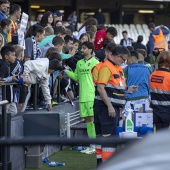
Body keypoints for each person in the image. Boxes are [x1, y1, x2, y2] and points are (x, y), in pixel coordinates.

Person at [96, 45, 135, 162]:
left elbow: (116, 87)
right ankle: (106, 164)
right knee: (109, 137)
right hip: (107, 108)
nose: (125, 62)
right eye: (124, 59)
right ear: (118, 56)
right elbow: (100, 88)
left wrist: (128, 88)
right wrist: (109, 106)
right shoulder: (106, 68)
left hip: (113, 107)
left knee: (107, 136)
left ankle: (102, 163)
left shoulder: (117, 67)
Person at [66, 41, 99, 153]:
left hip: (92, 95)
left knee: (92, 119)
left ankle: (95, 145)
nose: (81, 50)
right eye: (82, 48)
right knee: (87, 120)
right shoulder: (79, 63)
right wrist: (66, 71)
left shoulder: (96, 63)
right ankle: (92, 145)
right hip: (82, 95)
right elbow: (77, 78)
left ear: (90, 50)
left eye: (84, 48)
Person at [150, 51, 170, 131]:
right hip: (167, 112)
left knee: (158, 137)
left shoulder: (152, 75)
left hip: (156, 111)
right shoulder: (168, 76)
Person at [0, 45, 18, 116]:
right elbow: (1, 80)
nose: (15, 57)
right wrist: (11, 78)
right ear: (6, 56)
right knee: (3, 115)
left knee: (13, 111)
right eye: (13, 55)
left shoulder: (7, 65)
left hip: (9, 97)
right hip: (4, 97)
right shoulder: (4, 66)